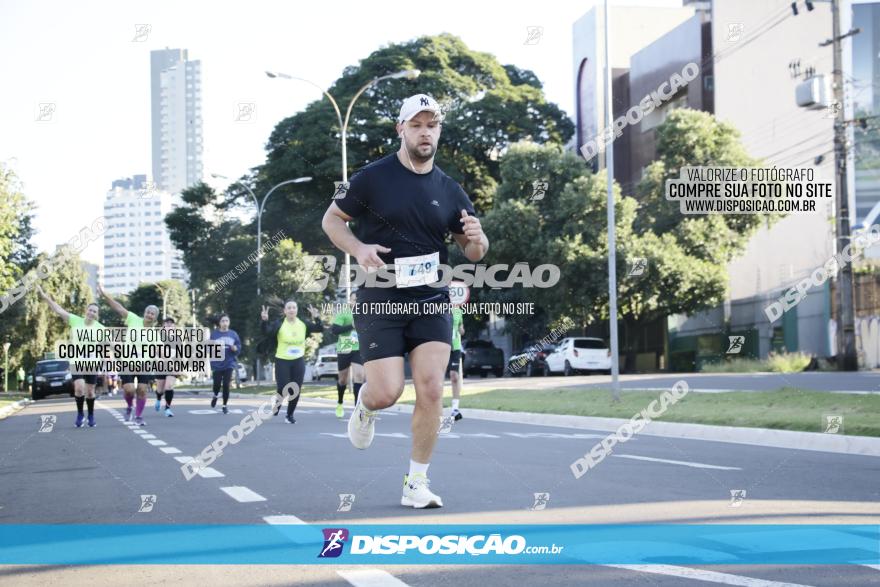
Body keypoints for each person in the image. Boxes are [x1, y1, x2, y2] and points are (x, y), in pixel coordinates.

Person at [321, 93, 489, 508]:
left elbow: (472, 252)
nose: (425, 131)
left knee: (431, 389)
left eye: (431, 125)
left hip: (431, 297)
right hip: (381, 297)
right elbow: (331, 220)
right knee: (388, 392)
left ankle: (416, 483)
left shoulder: (451, 190)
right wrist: (358, 249)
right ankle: (366, 405)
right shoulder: (372, 178)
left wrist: (479, 240)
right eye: (416, 124)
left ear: (439, 131)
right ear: (401, 129)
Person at [37, 285, 104, 428]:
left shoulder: (100, 328)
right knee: (79, 388)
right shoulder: (75, 320)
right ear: (86, 311)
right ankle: (80, 414)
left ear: (97, 314)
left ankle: (91, 415)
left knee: (90, 391)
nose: (91, 313)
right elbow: (58, 309)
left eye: (94, 311)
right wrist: (45, 297)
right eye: (90, 310)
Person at [98, 285, 158, 426]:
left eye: (152, 314)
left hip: (144, 364)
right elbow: (119, 308)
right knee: (129, 390)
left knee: (142, 390)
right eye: (148, 312)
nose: (149, 315)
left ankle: (138, 416)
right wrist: (106, 296)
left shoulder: (155, 334)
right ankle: (129, 406)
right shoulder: (133, 319)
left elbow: (159, 350)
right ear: (144, 313)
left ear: (155, 318)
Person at [260, 300, 323, 424]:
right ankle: (277, 405)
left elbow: (319, 328)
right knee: (283, 387)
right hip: (282, 360)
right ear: (285, 311)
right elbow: (266, 332)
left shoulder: (303, 323)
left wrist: (317, 318)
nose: (291, 310)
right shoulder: (279, 324)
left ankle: (289, 415)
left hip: (298, 360)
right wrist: (264, 321)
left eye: (294, 307)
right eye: (289, 308)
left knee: (295, 389)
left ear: (297, 310)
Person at [332, 291, 364, 419]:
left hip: (358, 348)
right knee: (342, 379)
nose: (356, 302)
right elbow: (334, 330)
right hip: (344, 347)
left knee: (359, 375)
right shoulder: (344, 312)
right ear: (350, 301)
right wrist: (351, 325)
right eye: (354, 300)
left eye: (358, 300)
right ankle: (340, 402)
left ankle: (357, 408)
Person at [209, 314, 241, 414]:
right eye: (223, 321)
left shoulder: (233, 334)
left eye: (227, 321)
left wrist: (236, 348)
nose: (225, 323)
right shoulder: (214, 334)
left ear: (229, 322)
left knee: (226, 384)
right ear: (219, 323)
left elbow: (238, 346)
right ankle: (215, 395)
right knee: (217, 384)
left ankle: (224, 405)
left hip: (229, 363)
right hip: (217, 363)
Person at [154, 317, 180, 417]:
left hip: (172, 366)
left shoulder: (177, 339)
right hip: (160, 365)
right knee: (160, 389)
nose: (169, 325)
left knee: (169, 386)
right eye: (167, 323)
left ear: (174, 326)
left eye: (171, 323)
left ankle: (167, 409)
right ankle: (158, 399)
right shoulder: (158, 337)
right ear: (163, 326)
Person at [447, 303, 465, 421]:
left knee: (454, 376)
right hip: (442, 346)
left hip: (456, 347)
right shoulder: (438, 307)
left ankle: (455, 408)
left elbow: (462, 329)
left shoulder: (458, 311)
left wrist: (460, 329)